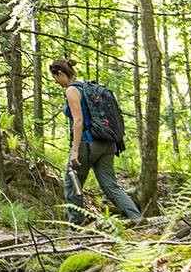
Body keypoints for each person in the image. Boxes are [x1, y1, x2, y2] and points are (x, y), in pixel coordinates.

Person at [49, 58, 142, 223]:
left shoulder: (71, 90)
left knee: (72, 183)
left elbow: (78, 121)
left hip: (89, 143)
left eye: (55, 78)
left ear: (61, 73)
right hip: (108, 143)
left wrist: (75, 150)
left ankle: (76, 228)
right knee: (110, 186)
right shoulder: (86, 86)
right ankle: (136, 218)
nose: (56, 82)